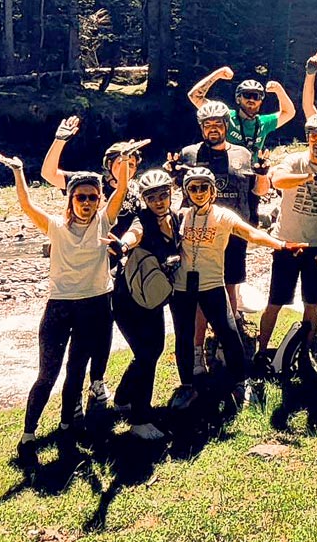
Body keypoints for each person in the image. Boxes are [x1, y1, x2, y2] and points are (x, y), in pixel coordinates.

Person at [0, 152, 130, 458]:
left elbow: (120, 190)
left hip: (93, 307)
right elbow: (28, 206)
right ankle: (28, 435)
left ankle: (68, 426)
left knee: (75, 371)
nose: (87, 203)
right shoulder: (56, 226)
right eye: (81, 197)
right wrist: (19, 172)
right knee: (47, 375)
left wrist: (122, 164)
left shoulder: (104, 221)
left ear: (99, 200)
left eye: (93, 198)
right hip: (59, 309)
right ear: (70, 200)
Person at [169, 167, 301, 411]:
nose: (199, 193)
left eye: (203, 188)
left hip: (212, 285)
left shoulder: (223, 216)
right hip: (182, 287)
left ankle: (241, 382)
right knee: (184, 339)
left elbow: (251, 233)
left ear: (212, 191)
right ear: (187, 192)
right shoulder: (181, 216)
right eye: (193, 188)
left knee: (229, 333)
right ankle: (188, 386)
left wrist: (282, 245)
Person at [40, 115, 144, 408]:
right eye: (122, 162)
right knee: (81, 341)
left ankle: (97, 382)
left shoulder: (134, 194)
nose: (128, 168)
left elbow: (139, 224)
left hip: (124, 270)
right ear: (109, 163)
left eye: (133, 164)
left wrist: (127, 243)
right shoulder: (89, 184)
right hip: (90, 275)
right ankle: (76, 395)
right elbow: (49, 173)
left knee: (105, 331)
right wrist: (60, 139)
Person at [172, 100, 270, 373]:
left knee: (231, 287)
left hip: (234, 230)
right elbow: (180, 193)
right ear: (201, 127)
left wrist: (263, 174)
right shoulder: (189, 154)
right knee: (200, 293)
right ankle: (197, 349)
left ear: (226, 125)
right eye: (207, 125)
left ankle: (227, 340)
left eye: (217, 124)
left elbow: (259, 191)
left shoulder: (243, 154)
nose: (212, 129)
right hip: (198, 232)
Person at [258, 113, 317, 357]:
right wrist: (310, 176)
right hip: (287, 244)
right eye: (315, 136)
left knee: (312, 303)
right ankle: (260, 352)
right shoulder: (294, 161)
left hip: (315, 246)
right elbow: (277, 181)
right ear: (308, 138)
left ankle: (306, 355)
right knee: (275, 302)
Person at [109, 168, 181, 440]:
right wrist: (122, 246)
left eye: (163, 195)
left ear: (171, 193)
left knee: (151, 350)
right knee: (148, 354)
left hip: (150, 298)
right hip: (127, 300)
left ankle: (122, 399)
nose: (159, 201)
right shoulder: (142, 220)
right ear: (144, 200)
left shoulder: (174, 218)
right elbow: (133, 235)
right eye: (152, 198)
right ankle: (140, 419)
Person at [186, 66, 296, 161]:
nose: (251, 100)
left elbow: (289, 112)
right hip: (226, 169)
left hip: (252, 173)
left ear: (261, 101)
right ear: (238, 99)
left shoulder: (263, 123)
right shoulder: (226, 116)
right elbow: (195, 97)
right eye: (247, 95)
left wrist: (279, 90)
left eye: (256, 96)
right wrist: (218, 74)